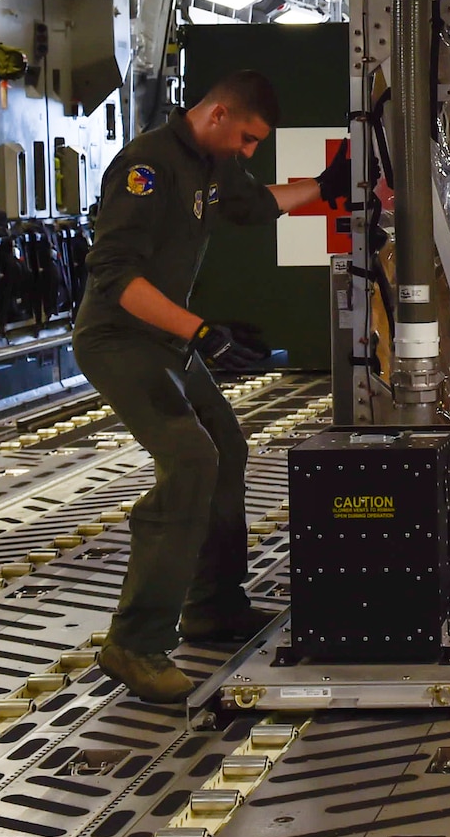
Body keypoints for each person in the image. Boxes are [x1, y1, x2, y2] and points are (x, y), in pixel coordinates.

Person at [77, 71, 351, 702]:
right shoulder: (147, 164)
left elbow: (253, 206)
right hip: (119, 339)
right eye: (249, 138)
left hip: (166, 340)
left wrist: (326, 187)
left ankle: (212, 607)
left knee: (227, 449)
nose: (250, 152)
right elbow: (113, 274)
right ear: (220, 114)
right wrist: (200, 331)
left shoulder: (211, 159)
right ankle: (136, 641)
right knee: (191, 459)